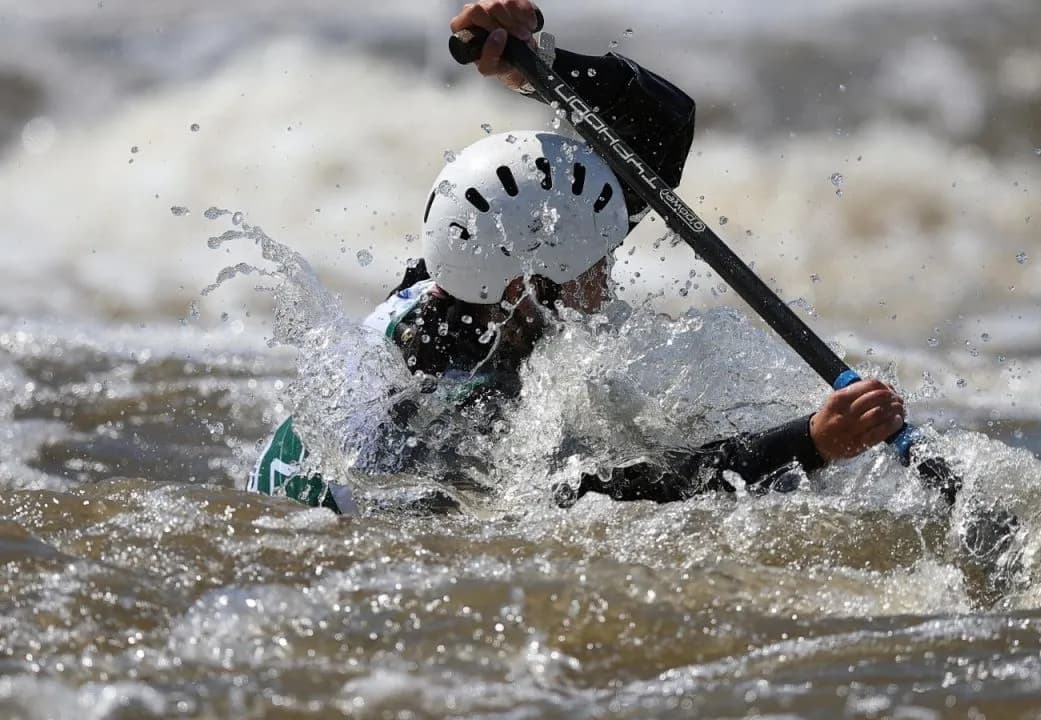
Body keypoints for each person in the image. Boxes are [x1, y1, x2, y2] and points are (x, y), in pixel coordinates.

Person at [248, 0, 906, 515]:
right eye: (594, 265)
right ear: (527, 289)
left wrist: (537, 65)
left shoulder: (462, 272)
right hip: (338, 552)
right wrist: (812, 444)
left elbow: (663, 128)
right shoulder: (453, 399)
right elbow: (610, 498)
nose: (608, 277)